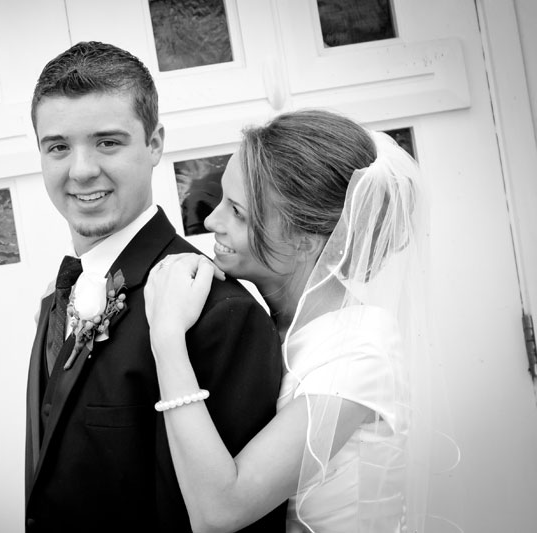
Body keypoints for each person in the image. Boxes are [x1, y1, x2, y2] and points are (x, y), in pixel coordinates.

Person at [24, 41, 287, 532]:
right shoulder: (58, 296)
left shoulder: (218, 310)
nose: (80, 169)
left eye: (108, 142)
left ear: (155, 144)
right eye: (58, 146)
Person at [146, 109, 432, 532]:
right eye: (221, 199)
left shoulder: (359, 353)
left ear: (304, 241)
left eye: (238, 213)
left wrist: (166, 337)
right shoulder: (258, 323)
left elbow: (220, 511)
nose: (210, 222)